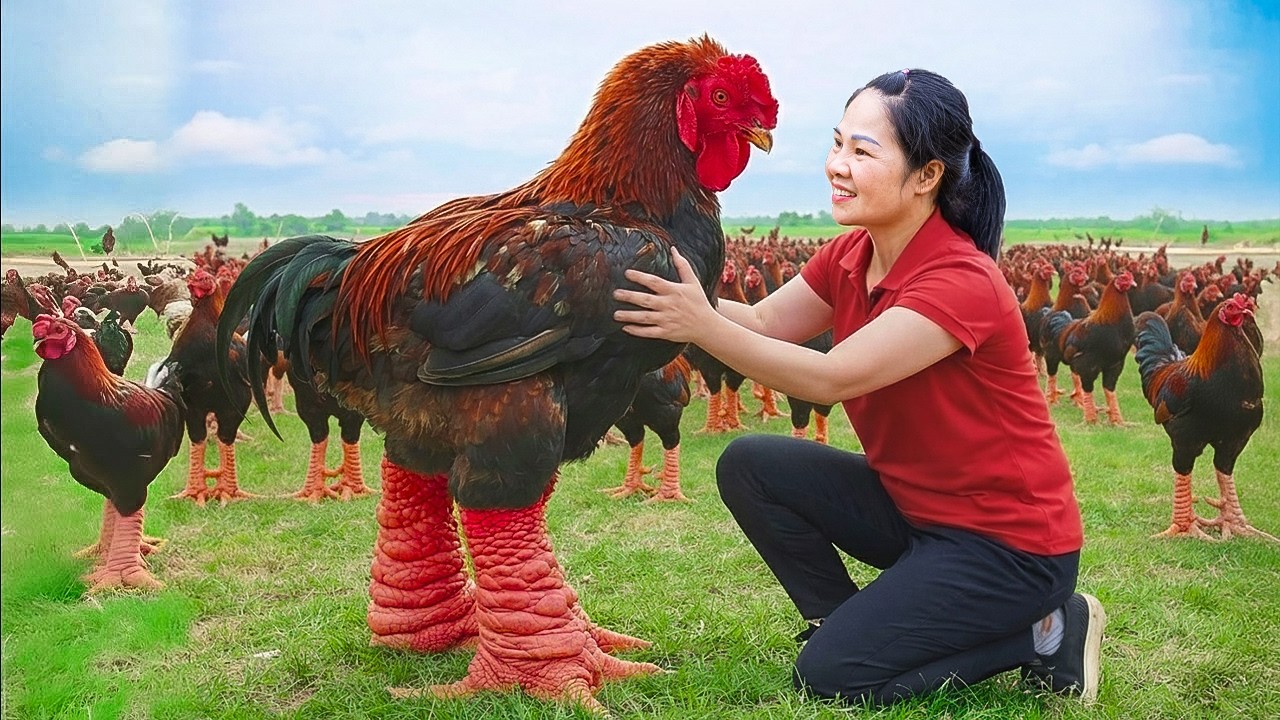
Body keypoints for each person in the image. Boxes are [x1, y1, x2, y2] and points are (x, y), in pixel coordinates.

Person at [613, 68, 1105, 706]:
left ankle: (1048, 627)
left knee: (832, 680)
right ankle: (842, 624)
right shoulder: (851, 255)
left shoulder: (960, 280)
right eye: (837, 143)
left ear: (927, 175)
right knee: (751, 464)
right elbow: (765, 323)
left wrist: (699, 322)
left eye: (862, 152)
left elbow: (829, 376)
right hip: (915, 510)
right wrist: (665, 294)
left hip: (1007, 547)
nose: (837, 166)